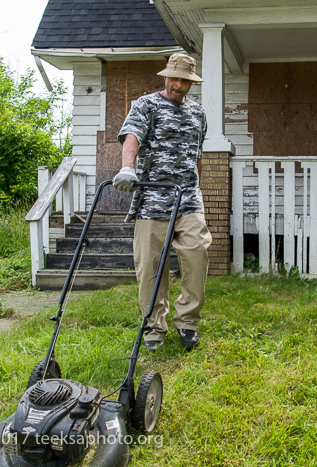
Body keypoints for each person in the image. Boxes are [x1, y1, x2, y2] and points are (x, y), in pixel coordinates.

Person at [113, 53, 212, 352]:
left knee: (196, 257)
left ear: (191, 84)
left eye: (184, 81)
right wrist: (127, 167)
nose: (178, 85)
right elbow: (132, 136)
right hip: (153, 200)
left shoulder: (198, 114)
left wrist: (198, 186)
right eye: (174, 78)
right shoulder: (146, 105)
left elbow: (197, 155)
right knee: (150, 269)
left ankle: (187, 322)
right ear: (165, 76)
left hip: (188, 200)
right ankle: (154, 326)